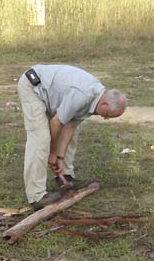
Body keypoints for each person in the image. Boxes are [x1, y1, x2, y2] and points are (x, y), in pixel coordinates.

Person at [17, 64, 128, 208]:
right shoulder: (83, 95)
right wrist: (52, 153)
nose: (106, 118)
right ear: (104, 104)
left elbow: (69, 126)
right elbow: (56, 123)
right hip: (34, 86)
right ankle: (36, 196)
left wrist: (59, 158)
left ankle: (65, 177)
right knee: (41, 138)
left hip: (52, 93)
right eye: (108, 115)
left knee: (72, 135)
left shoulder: (97, 98)